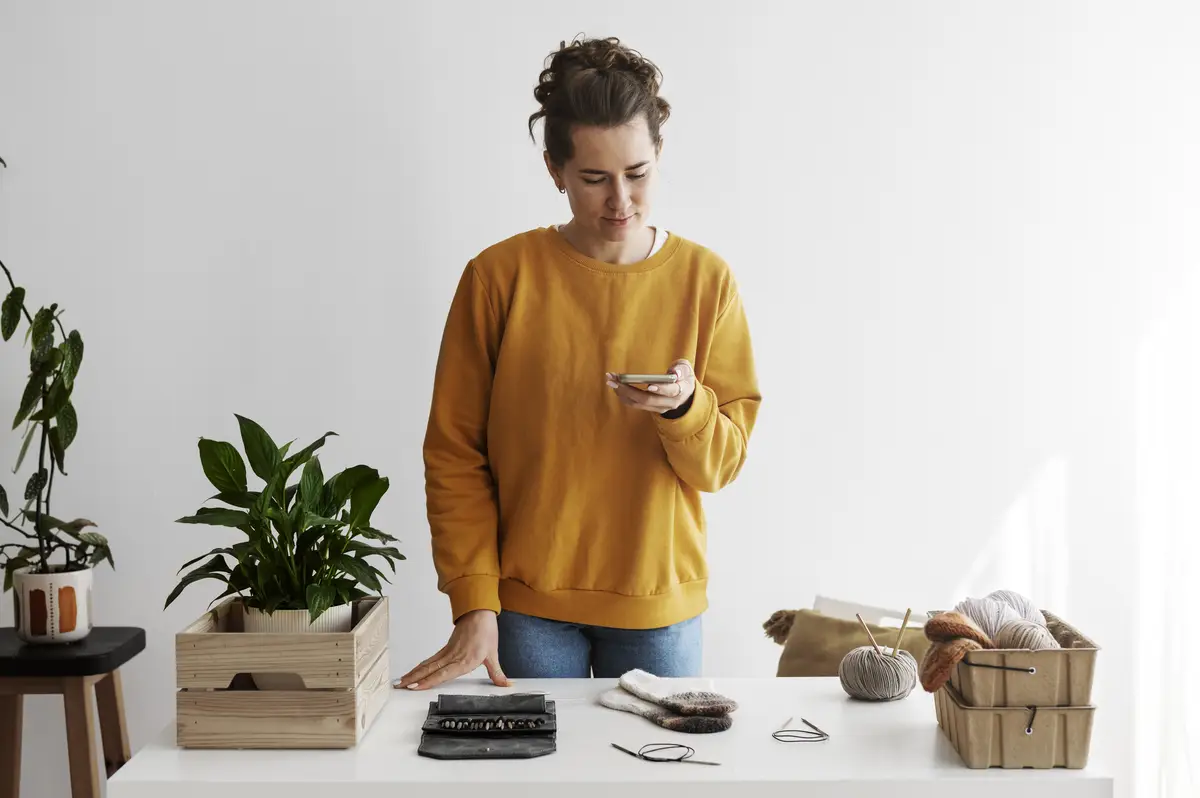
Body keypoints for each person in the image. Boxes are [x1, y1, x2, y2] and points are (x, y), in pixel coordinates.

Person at [397, 36, 761, 690]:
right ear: (554, 171)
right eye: (594, 178)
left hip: (661, 610)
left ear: (659, 156)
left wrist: (684, 408)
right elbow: (454, 453)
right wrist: (474, 600)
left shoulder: (707, 283)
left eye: (638, 173)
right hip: (529, 609)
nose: (619, 200)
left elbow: (722, 465)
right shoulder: (498, 279)